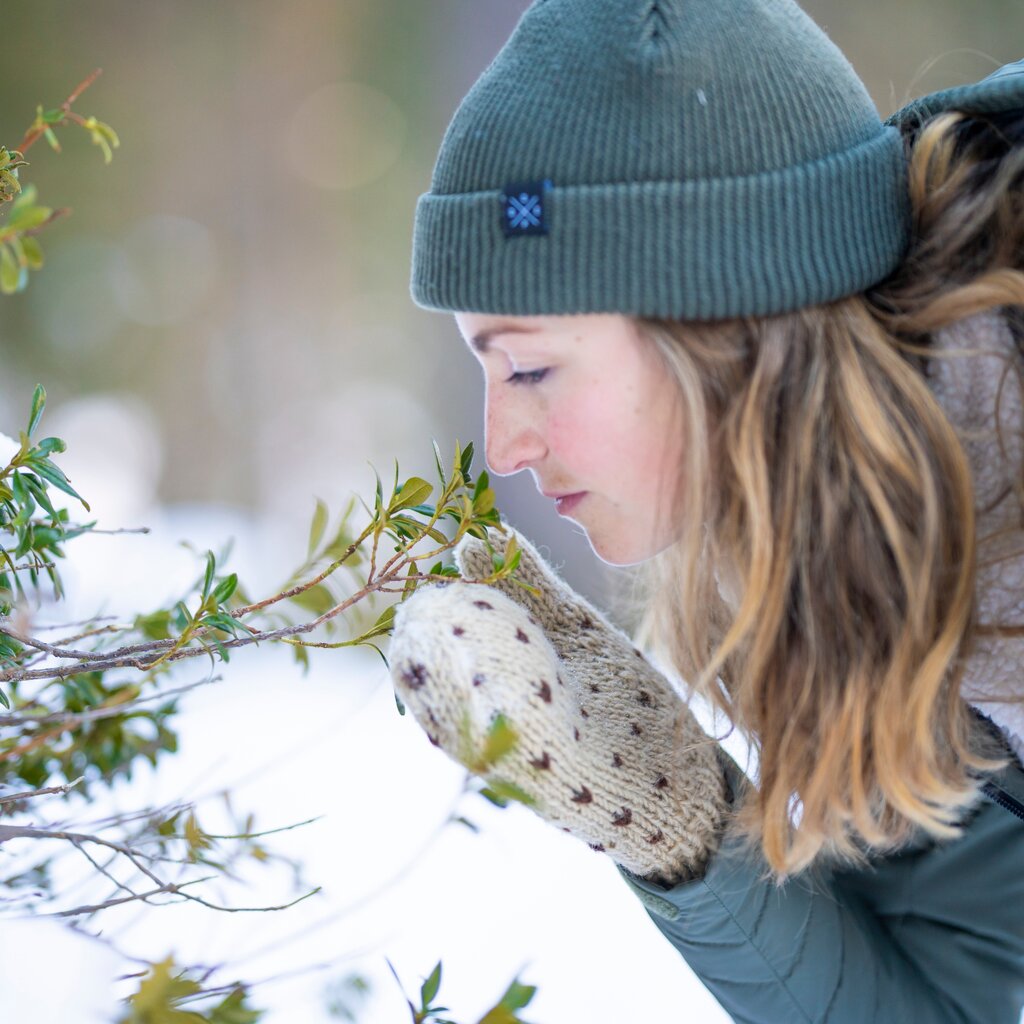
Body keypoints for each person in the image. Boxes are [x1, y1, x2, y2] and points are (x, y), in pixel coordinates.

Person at [389, 1, 1024, 1020]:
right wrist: (675, 820)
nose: (503, 442)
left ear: (721, 325)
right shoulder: (881, 596)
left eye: (533, 366)